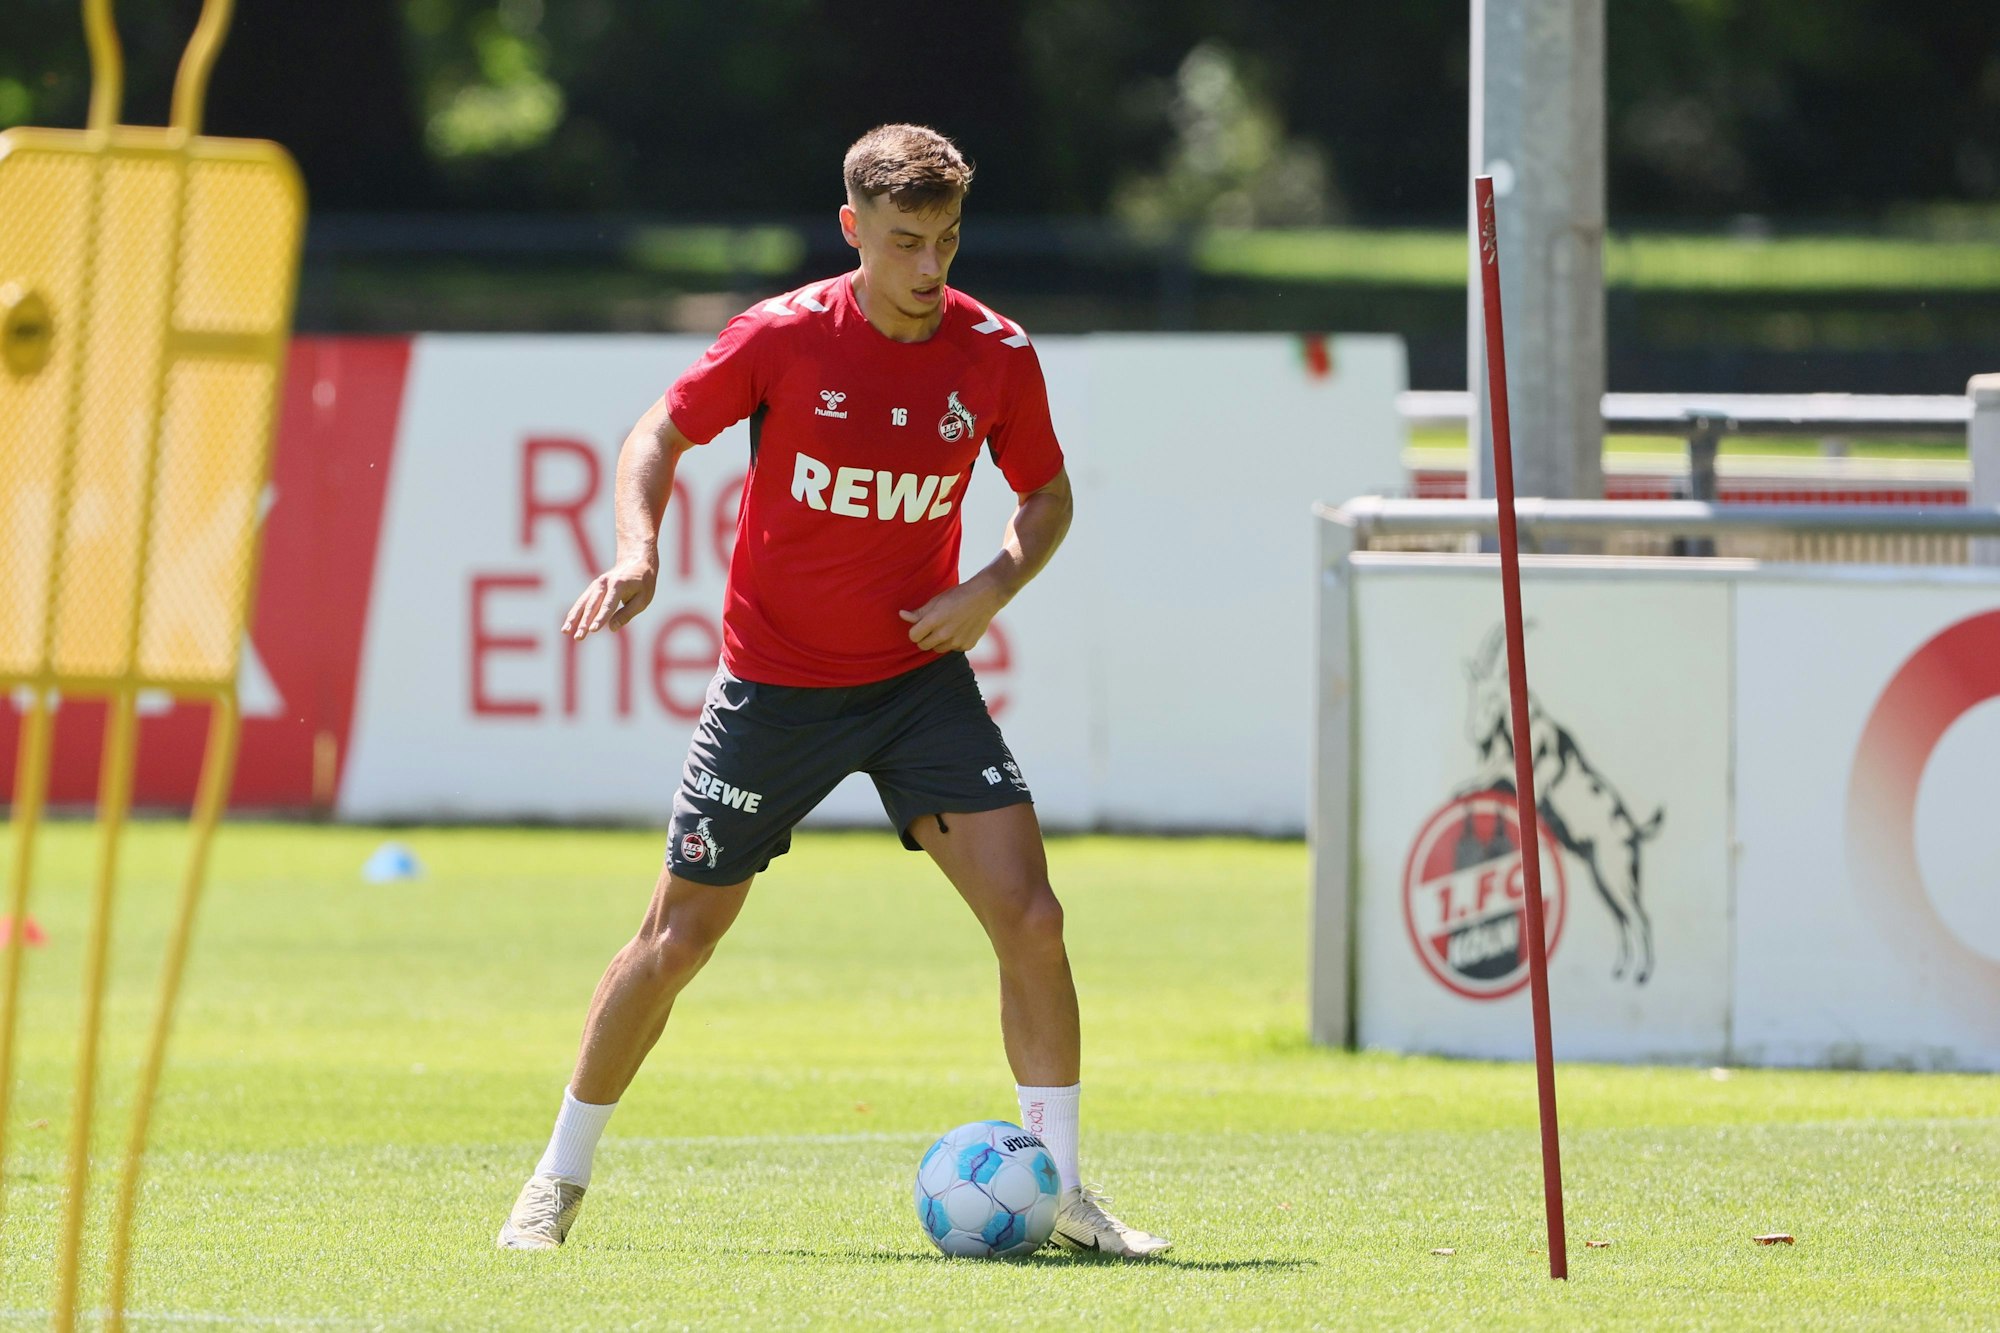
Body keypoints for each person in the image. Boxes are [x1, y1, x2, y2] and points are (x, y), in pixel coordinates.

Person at [496, 123, 1169, 1258]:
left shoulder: (995, 352)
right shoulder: (783, 336)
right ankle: (554, 1180)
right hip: (774, 690)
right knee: (677, 939)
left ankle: (1057, 1190)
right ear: (853, 228)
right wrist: (637, 551)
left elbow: (1046, 495)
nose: (929, 267)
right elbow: (656, 434)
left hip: (916, 684)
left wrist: (991, 586)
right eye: (904, 241)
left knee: (1033, 917)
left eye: (946, 240)